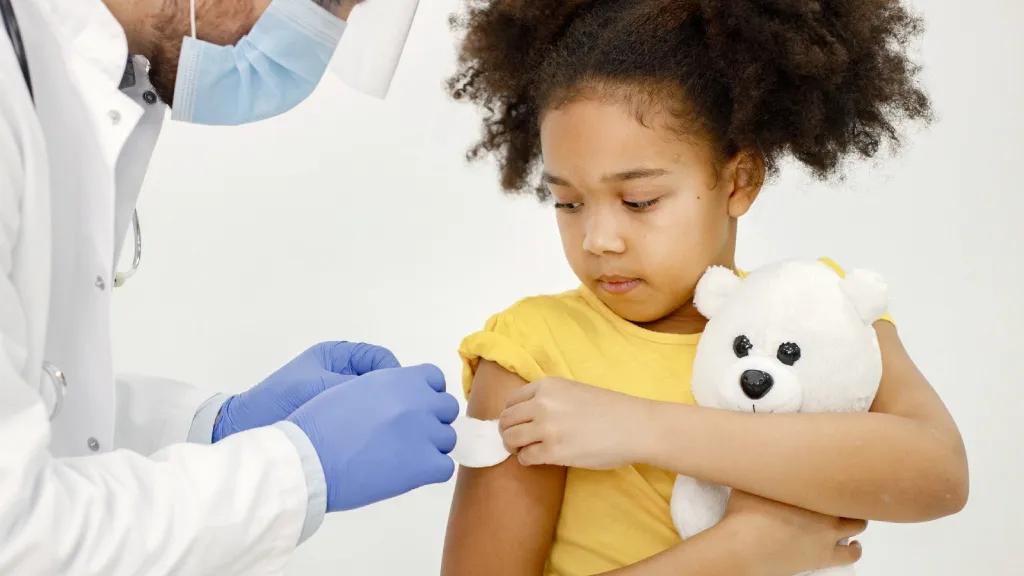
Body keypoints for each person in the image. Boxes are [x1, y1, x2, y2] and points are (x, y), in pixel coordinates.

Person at [440, 0, 969, 574]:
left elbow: (939, 473)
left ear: (738, 180)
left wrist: (637, 426)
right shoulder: (532, 355)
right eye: (567, 202)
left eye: (639, 201)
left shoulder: (815, 309)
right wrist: (741, 553)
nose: (598, 239)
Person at [0, 0, 459, 572]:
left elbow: (33, 402)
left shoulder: (58, 78)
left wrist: (210, 427)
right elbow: (17, 537)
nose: (320, 35)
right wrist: (296, 467)